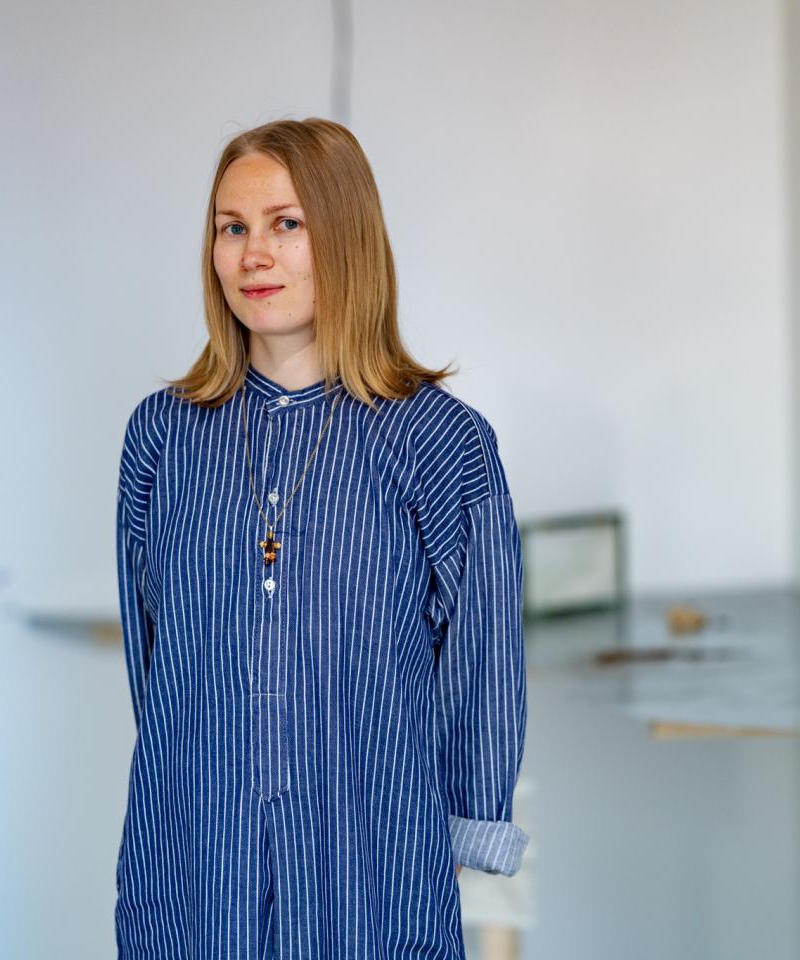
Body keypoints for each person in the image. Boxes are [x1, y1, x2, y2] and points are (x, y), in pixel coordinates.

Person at [114, 117, 528, 959]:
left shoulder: (440, 442)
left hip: (370, 869)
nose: (254, 255)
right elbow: (153, 670)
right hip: (194, 871)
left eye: (286, 224)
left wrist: (465, 820)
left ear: (345, 236)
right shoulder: (161, 438)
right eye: (232, 228)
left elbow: (482, 661)